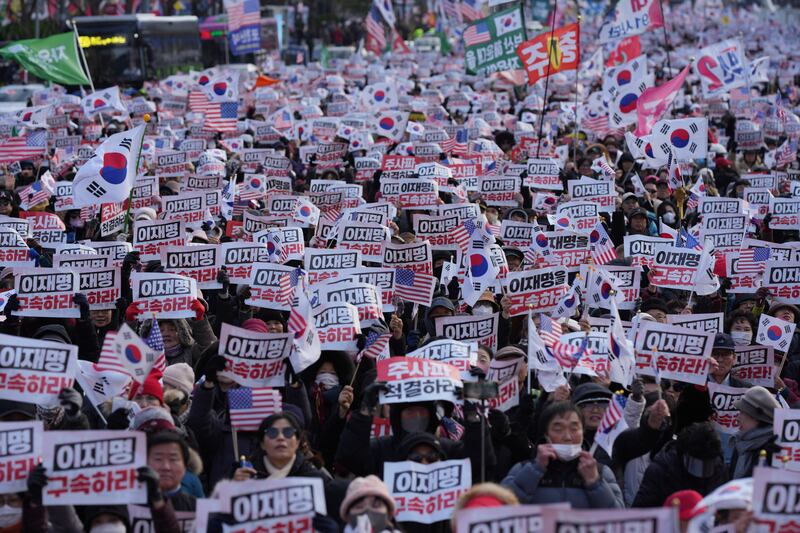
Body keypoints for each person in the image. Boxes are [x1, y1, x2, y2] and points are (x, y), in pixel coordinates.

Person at [501, 401, 624, 508]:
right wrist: (535, 470)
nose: (567, 437)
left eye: (574, 429)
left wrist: (595, 482)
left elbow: (619, 517)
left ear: (583, 432)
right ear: (546, 435)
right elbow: (501, 508)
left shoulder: (601, 472)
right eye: (558, 430)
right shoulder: (522, 469)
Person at [633, 422, 728, 507]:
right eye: (697, 465)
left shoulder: (719, 470)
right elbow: (641, 512)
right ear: (682, 454)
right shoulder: (660, 471)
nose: (701, 475)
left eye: (706, 466)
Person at [729, 386, 781, 478]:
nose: (737, 418)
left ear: (756, 418)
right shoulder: (741, 442)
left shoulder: (776, 449)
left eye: (742, 412)